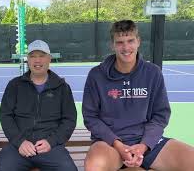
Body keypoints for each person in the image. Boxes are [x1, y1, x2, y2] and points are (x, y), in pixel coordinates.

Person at [82, 20, 194, 171]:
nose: (126, 47)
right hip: (110, 144)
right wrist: (117, 144)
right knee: (94, 166)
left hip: (148, 143)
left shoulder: (153, 73)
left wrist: (144, 145)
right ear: (112, 45)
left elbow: (160, 115)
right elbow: (91, 117)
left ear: (138, 41)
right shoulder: (96, 75)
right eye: (120, 42)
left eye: (130, 41)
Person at [0, 40, 77, 171]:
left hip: (51, 148)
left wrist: (51, 142)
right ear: (28, 59)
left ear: (49, 58)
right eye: (33, 56)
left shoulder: (62, 87)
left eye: (42, 56)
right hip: (19, 148)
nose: (37, 61)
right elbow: (6, 116)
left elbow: (69, 120)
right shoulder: (14, 85)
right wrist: (20, 142)